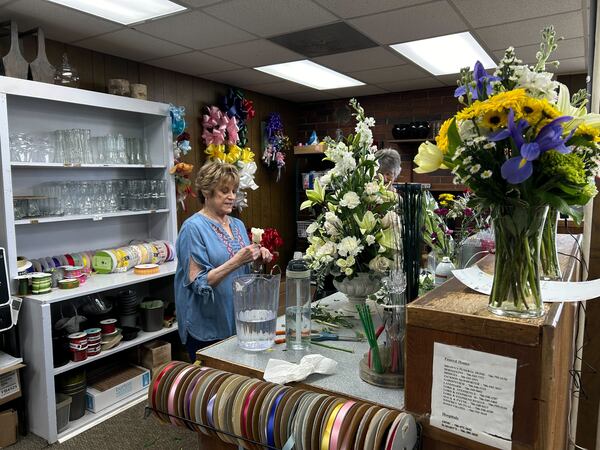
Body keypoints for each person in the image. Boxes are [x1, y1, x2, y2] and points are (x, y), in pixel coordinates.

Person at [175, 161, 272, 361]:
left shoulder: (237, 224)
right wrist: (237, 261)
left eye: (234, 191)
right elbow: (199, 282)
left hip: (238, 322)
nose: (231, 197)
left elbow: (244, 273)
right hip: (207, 326)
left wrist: (257, 261)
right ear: (207, 191)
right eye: (224, 191)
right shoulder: (192, 228)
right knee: (210, 388)